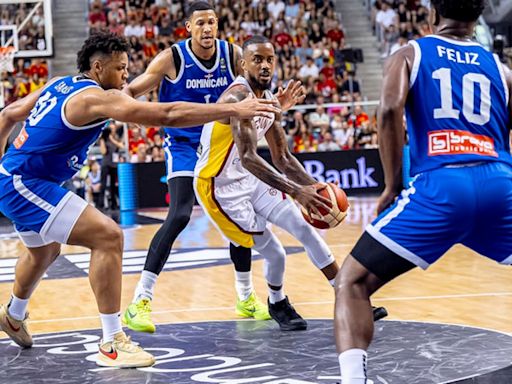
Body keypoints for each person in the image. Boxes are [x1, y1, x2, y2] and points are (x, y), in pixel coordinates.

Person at [0, 32, 278, 368]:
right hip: (24, 183)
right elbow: (167, 115)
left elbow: (8, 115)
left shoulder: (60, 83)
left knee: (45, 250)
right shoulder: (95, 99)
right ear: (98, 67)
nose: (125, 75)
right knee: (108, 236)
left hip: (19, 177)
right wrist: (234, 107)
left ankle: (13, 315)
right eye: (120, 69)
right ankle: (112, 341)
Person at [333, 1, 512, 383]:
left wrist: (393, 184)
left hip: (441, 187)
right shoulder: (501, 69)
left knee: (352, 281)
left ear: (432, 13)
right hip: (500, 182)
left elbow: (388, 109)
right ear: (478, 17)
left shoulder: (411, 52)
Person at [122, 1, 305, 333]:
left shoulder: (232, 54)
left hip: (222, 144)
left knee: (242, 213)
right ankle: (140, 301)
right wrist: (130, 112)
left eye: (213, 22)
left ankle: (245, 297)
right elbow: (131, 90)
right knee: (178, 214)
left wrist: (278, 102)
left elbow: (254, 87)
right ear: (188, 28)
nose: (208, 29)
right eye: (201, 23)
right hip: (185, 146)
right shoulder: (171, 58)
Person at [194, 35, 387, 331]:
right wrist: (296, 191)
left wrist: (316, 191)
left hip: (251, 178)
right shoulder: (237, 98)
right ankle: (277, 302)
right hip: (219, 187)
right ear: (243, 64)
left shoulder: (269, 101)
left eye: (270, 59)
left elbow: (282, 157)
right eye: (257, 59)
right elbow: (247, 156)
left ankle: (348, 297)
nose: (265, 65)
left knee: (305, 229)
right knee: (276, 253)